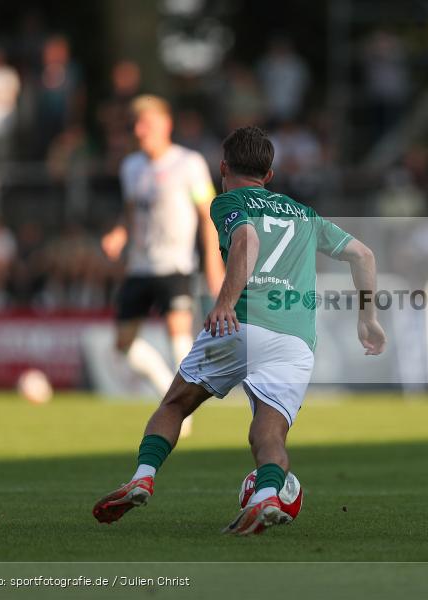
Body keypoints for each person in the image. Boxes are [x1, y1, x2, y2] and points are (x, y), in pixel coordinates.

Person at [92, 126, 386, 535]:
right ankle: (267, 496)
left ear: (223, 167)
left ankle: (144, 475)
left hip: (241, 324)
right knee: (268, 436)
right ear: (269, 174)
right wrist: (367, 317)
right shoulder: (305, 214)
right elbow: (363, 254)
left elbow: (246, 240)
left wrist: (225, 302)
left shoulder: (228, 201)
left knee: (175, 405)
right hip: (295, 338)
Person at [101, 95, 223, 438]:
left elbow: (207, 215)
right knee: (123, 346)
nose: (141, 130)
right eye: (137, 124)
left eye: (147, 123)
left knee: (177, 334)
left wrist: (213, 264)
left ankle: (181, 410)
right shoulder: (131, 167)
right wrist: (119, 234)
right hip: (140, 268)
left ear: (166, 125)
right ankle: (166, 395)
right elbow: (130, 213)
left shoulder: (189, 163)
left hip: (175, 265)